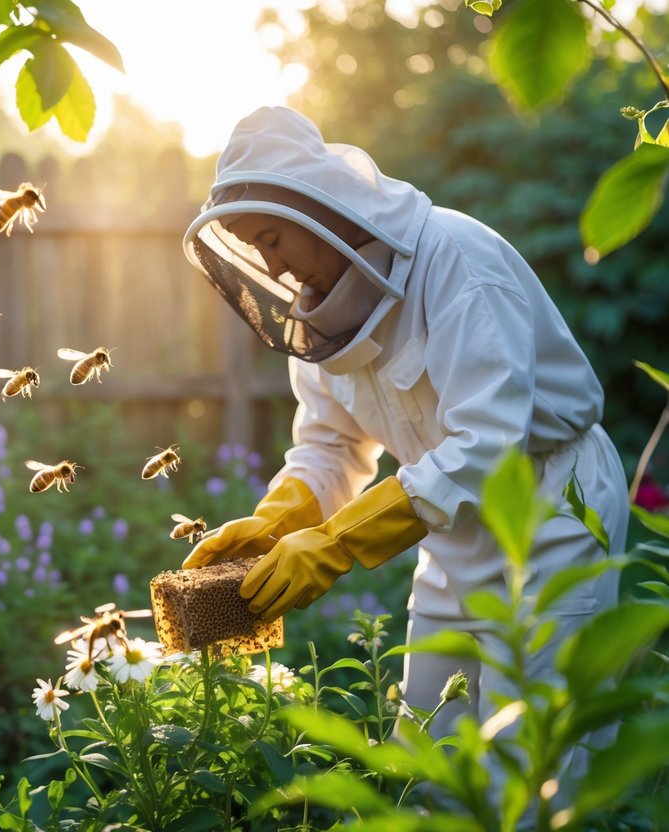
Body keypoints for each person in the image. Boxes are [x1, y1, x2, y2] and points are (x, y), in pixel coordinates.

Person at [179, 107, 627, 769]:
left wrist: (335, 542)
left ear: (315, 208)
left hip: (551, 509)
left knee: (533, 765)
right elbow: (331, 445)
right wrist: (282, 518)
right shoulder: (319, 316)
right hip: (445, 527)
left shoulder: (457, 263)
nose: (269, 262)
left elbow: (486, 444)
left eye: (273, 237)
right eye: (254, 245)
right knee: (428, 757)